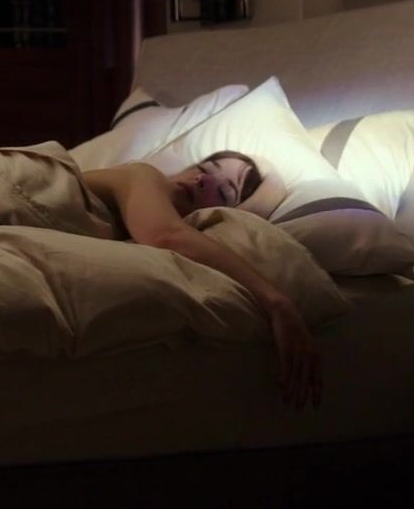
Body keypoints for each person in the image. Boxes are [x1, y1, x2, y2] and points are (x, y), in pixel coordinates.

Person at [81, 152, 322, 411]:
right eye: (204, 168)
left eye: (223, 192)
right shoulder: (143, 174)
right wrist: (278, 303)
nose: (203, 180)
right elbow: (167, 236)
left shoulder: (131, 225)